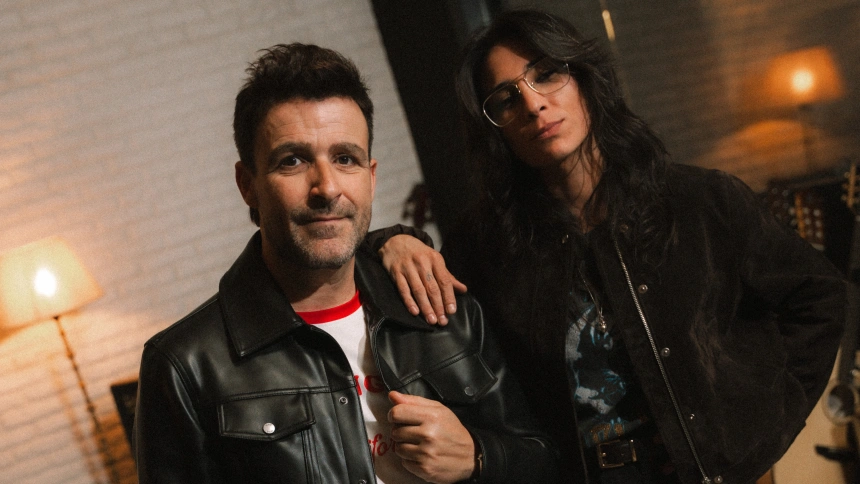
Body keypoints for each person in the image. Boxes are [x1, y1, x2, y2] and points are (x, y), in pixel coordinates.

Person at [369, 9, 847, 484]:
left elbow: (820, 296)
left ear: (584, 80)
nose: (533, 104)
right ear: (496, 129)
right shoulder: (487, 249)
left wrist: (758, 434)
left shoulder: (700, 201)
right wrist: (390, 241)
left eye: (547, 74)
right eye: (506, 99)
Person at [133, 42, 558, 484]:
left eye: (345, 159)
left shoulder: (442, 307)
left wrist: (478, 456)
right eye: (292, 161)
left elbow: (544, 459)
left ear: (370, 177)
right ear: (248, 185)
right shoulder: (186, 366)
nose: (327, 187)